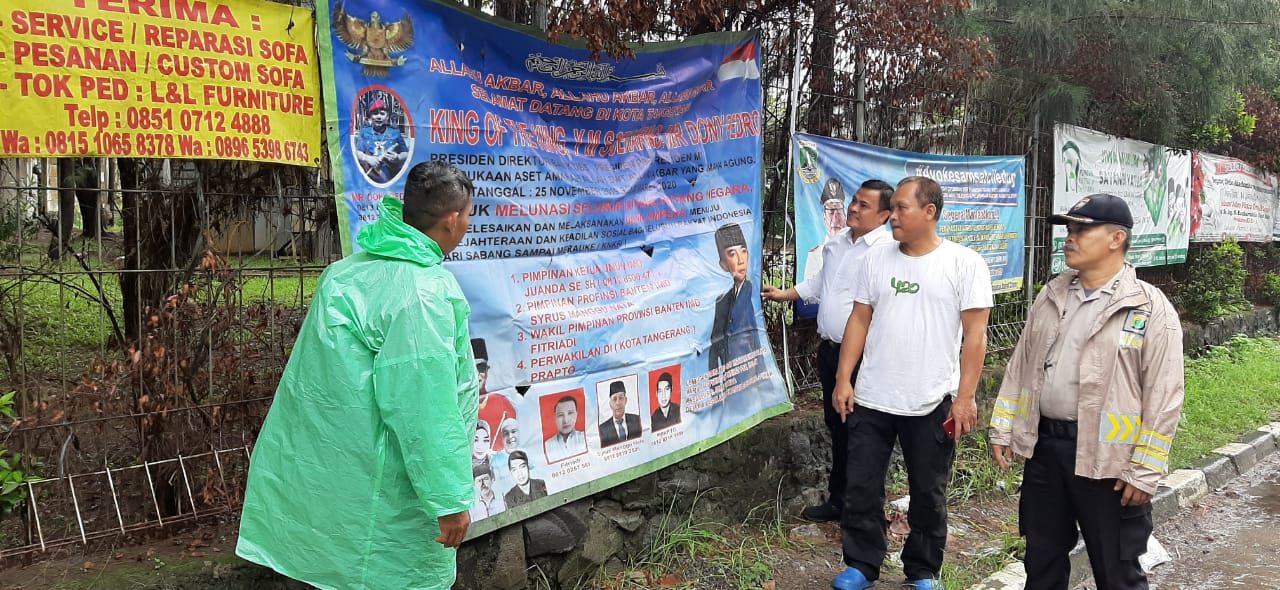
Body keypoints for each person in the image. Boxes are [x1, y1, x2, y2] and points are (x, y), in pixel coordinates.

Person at [237, 162, 478, 589]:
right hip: (386, 494)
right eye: (469, 215)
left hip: (330, 480)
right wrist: (448, 498)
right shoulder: (422, 294)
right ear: (452, 219)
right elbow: (423, 406)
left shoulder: (345, 273)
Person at [989, 194, 1185, 590]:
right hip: (1046, 452)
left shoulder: (1148, 308)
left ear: (1116, 239)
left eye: (1081, 229)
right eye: (1068, 229)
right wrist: (1004, 427)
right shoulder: (1052, 296)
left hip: (1109, 466)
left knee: (1117, 572)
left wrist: (1144, 471)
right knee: (1041, 563)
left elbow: (1165, 396)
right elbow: (1021, 366)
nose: (1070, 237)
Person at [830, 176, 992, 590]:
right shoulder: (877, 259)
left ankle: (922, 570)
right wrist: (843, 379)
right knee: (861, 487)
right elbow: (859, 319)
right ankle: (862, 564)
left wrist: (965, 398)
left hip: (931, 399)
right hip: (872, 397)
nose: (894, 216)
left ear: (930, 212)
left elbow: (975, 336)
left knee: (928, 492)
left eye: (901, 208)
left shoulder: (964, 263)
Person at [763, 179, 894, 523]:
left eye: (865, 205)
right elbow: (820, 283)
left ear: (883, 214)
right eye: (855, 201)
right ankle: (839, 500)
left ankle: (864, 509)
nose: (853, 208)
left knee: (863, 433)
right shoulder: (836, 245)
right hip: (831, 353)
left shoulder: (885, 252)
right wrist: (784, 294)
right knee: (837, 426)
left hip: (865, 359)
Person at [708, 222, 760, 372]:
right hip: (728, 375)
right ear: (723, 265)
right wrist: (713, 380)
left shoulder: (752, 291)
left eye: (743, 251)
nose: (740, 260)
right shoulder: (722, 301)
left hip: (749, 372)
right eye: (732, 254)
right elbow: (714, 344)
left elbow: (757, 341)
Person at [355, 96, 409, 184]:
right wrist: (368, 158)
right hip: (370, 178)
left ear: (387, 117)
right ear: (370, 116)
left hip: (391, 178)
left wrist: (398, 157)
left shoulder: (395, 132)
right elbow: (357, 152)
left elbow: (406, 153)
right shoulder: (365, 132)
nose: (378, 117)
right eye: (375, 113)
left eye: (382, 114)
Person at [803, 178, 849, 281]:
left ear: (845, 217)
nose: (835, 219)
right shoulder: (815, 256)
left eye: (839, 213)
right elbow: (809, 293)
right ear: (824, 218)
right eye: (831, 213)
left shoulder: (856, 250)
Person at [598, 380, 642, 447]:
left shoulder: (637, 420)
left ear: (626, 400)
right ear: (610, 404)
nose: (618, 403)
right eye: (614, 399)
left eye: (621, 398)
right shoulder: (602, 429)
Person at [544, 395, 587, 463]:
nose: (566, 420)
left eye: (570, 413)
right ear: (555, 418)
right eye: (560, 415)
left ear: (576, 415)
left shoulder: (586, 437)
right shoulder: (548, 445)